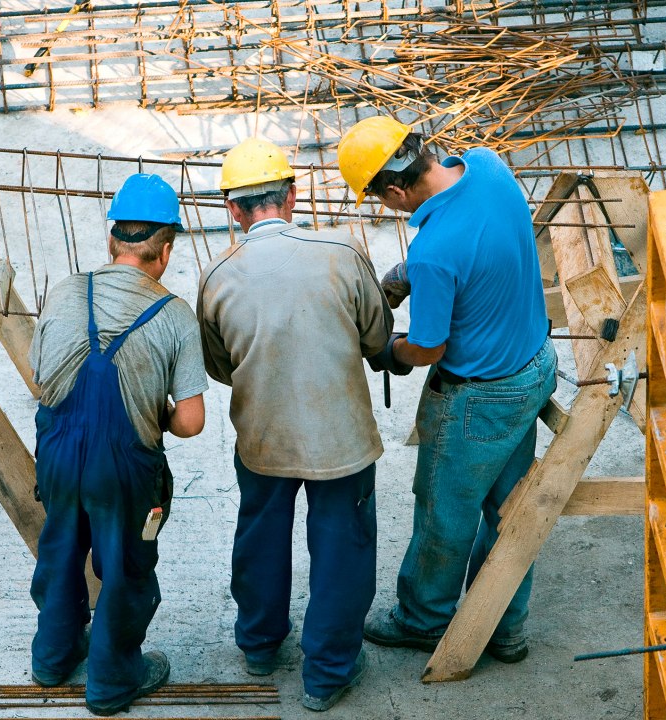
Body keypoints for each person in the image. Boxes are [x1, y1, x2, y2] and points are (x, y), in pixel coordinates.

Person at [337, 116, 558, 666]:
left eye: (378, 199)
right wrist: (409, 272)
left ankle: (422, 619)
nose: (383, 207)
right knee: (511, 511)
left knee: (444, 512)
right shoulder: (488, 164)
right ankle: (506, 629)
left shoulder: (436, 252)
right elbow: (479, 237)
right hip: (531, 367)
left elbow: (428, 349)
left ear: (392, 189)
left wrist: (388, 352)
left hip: (478, 401)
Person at [197, 137, 392, 712]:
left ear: (232, 209)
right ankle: (326, 674)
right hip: (342, 440)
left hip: (263, 436)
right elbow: (377, 341)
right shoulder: (343, 252)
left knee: (260, 537)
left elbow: (219, 366)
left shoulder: (217, 276)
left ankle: (259, 646)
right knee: (342, 548)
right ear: (293, 193)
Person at [28, 173, 208, 715]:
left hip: (58, 454)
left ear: (112, 241)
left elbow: (40, 375)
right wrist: (157, 412)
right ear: (167, 250)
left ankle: (53, 659)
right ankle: (111, 680)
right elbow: (193, 422)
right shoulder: (174, 314)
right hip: (124, 470)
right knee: (126, 568)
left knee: (60, 552)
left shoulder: (63, 291)